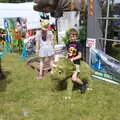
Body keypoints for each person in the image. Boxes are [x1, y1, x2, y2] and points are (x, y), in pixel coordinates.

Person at [66, 28, 87, 93]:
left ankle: (83, 84)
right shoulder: (68, 44)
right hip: (69, 63)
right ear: (69, 37)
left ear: (76, 36)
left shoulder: (78, 44)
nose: (72, 38)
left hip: (76, 64)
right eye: (71, 36)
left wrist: (72, 59)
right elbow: (69, 53)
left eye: (74, 36)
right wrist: (66, 57)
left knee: (74, 78)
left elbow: (80, 56)